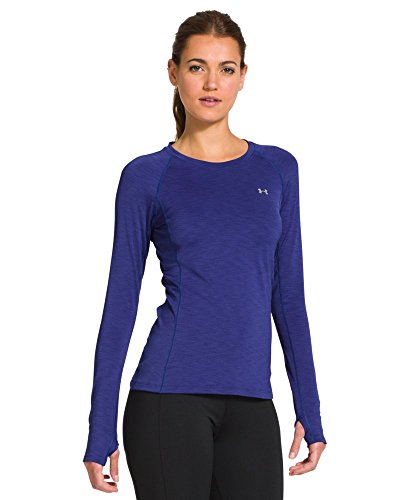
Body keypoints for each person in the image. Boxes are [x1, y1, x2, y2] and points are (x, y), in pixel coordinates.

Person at [83, 9, 327, 499]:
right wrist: (99, 426)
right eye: (197, 67)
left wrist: (311, 408)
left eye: (226, 68)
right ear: (173, 72)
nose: (212, 83)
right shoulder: (146, 176)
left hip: (253, 402)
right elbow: (120, 303)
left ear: (243, 76)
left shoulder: (278, 169)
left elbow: (288, 296)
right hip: (167, 400)